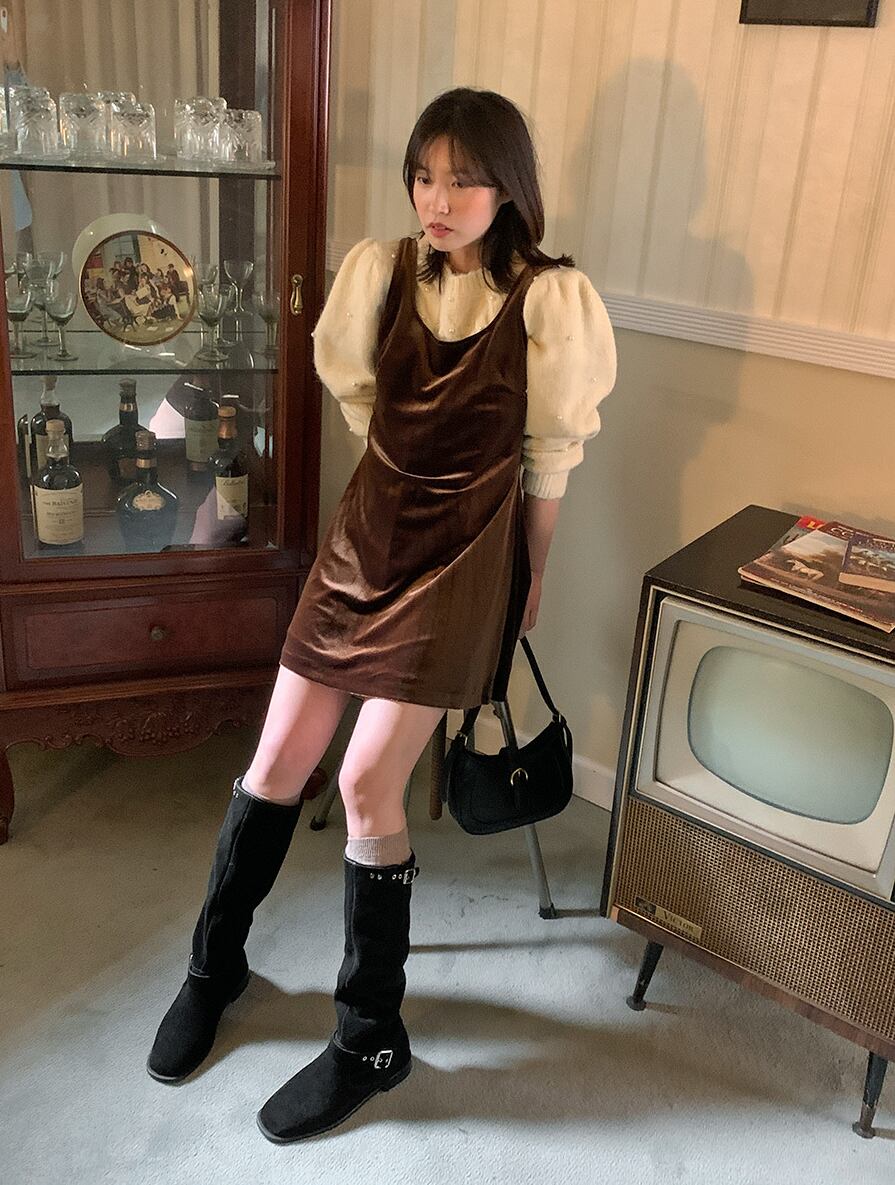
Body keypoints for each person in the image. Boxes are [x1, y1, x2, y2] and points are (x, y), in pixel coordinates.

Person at [147, 86, 616, 1143]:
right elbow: (369, 415)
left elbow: (547, 461)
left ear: (509, 188)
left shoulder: (550, 301)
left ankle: (370, 1037)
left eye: (462, 180)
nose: (435, 200)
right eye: (422, 175)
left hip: (463, 562)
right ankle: (214, 969)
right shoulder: (380, 272)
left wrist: (528, 578)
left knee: (365, 780)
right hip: (363, 543)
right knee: (275, 761)